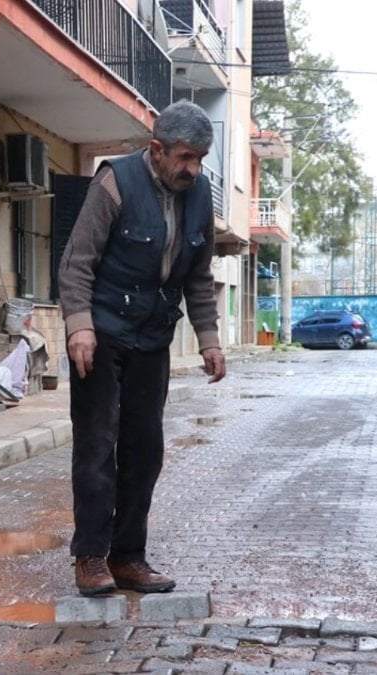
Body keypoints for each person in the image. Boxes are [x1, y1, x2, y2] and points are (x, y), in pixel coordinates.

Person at [58, 99, 226, 596]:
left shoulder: (200, 196)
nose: (192, 169)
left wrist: (210, 340)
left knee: (144, 449)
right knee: (96, 447)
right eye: (184, 158)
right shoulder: (115, 181)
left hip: (152, 337)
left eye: (200, 159)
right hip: (102, 335)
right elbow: (76, 263)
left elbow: (198, 276)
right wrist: (79, 327)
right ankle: (90, 557)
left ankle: (128, 557)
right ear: (156, 150)